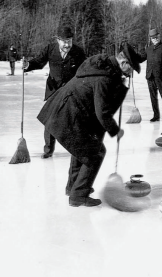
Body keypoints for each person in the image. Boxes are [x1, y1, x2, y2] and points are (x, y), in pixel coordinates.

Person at [37, 43, 141, 207]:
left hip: (64, 110)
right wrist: (115, 130)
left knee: (83, 149)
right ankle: (78, 195)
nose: (130, 74)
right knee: (95, 153)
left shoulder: (101, 67)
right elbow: (102, 112)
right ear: (123, 63)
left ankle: (73, 187)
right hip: (68, 115)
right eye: (131, 69)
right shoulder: (104, 77)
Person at [23, 26, 86, 158]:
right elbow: (38, 62)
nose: (67, 44)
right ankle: (48, 150)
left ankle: (76, 149)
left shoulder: (78, 52)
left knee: (73, 120)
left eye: (69, 40)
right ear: (58, 40)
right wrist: (28, 65)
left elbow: (85, 69)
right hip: (53, 90)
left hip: (71, 91)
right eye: (64, 41)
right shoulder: (50, 49)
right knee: (50, 120)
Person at [138, 28, 162, 123]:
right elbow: (140, 59)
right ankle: (156, 115)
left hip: (160, 77)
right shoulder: (148, 49)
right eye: (153, 38)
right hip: (150, 77)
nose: (155, 39)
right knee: (153, 97)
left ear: (159, 36)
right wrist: (130, 55)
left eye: (157, 37)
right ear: (151, 39)